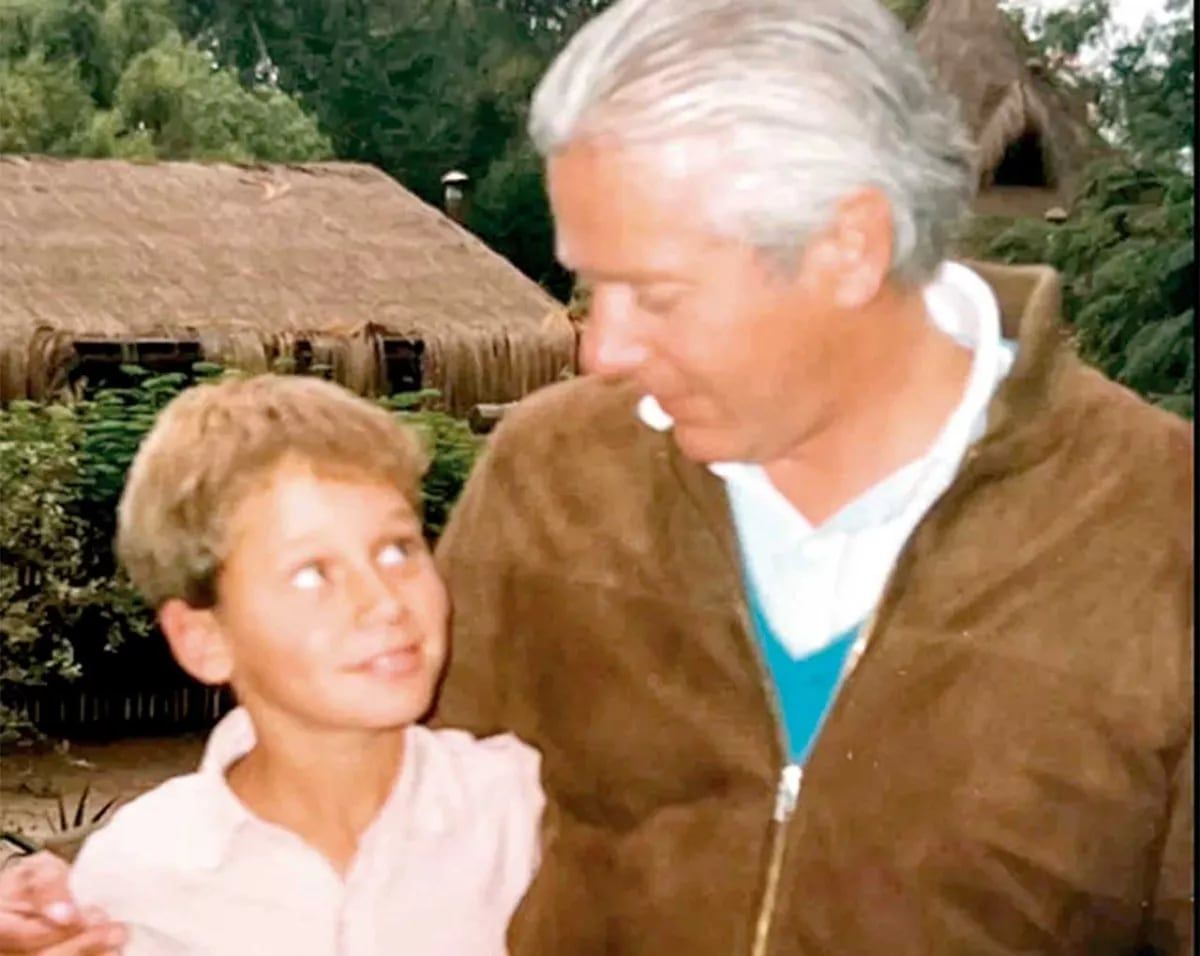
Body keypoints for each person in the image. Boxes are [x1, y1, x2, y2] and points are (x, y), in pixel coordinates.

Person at [0, 0, 1193, 953]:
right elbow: (364, 813)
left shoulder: (1162, 526)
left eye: (654, 292)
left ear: (850, 247)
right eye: (587, 284)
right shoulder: (554, 472)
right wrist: (115, 912)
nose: (601, 350)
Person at [0, 375, 543, 955]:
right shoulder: (136, 878)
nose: (384, 601)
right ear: (204, 639)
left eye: (397, 550)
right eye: (312, 573)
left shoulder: (524, 813)